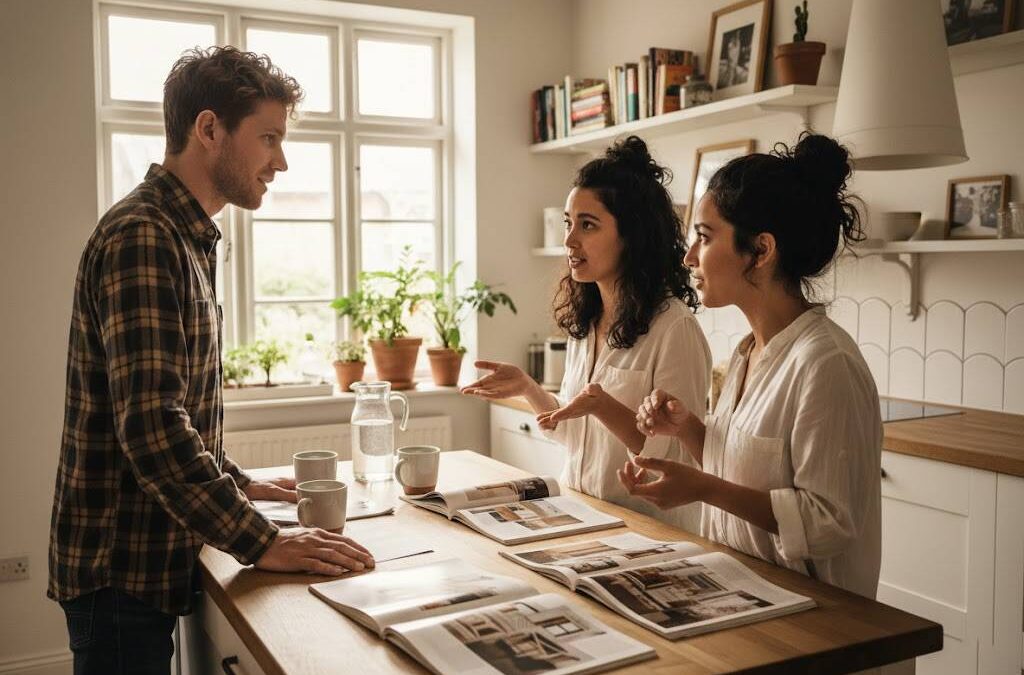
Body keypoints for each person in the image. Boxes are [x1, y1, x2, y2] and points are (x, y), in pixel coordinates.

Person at [48, 46, 373, 675]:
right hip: (120, 564)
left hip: (147, 557)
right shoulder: (143, 235)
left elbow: (174, 405)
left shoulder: (183, 234)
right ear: (208, 129)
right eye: (269, 138)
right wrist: (264, 541)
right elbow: (150, 427)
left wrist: (240, 481)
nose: (281, 161)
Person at [619, 133, 882, 598]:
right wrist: (687, 431)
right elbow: (742, 470)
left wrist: (702, 488)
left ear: (761, 250)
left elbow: (828, 523)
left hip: (819, 622)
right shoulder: (746, 354)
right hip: (745, 595)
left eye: (703, 236)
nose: (689, 256)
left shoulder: (826, 364)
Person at [462, 136, 711, 531]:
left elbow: (674, 457)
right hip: (580, 514)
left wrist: (603, 406)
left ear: (632, 236)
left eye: (587, 225)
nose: (569, 239)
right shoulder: (587, 322)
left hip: (647, 530)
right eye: (568, 223)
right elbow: (573, 431)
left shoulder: (674, 328)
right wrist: (528, 387)